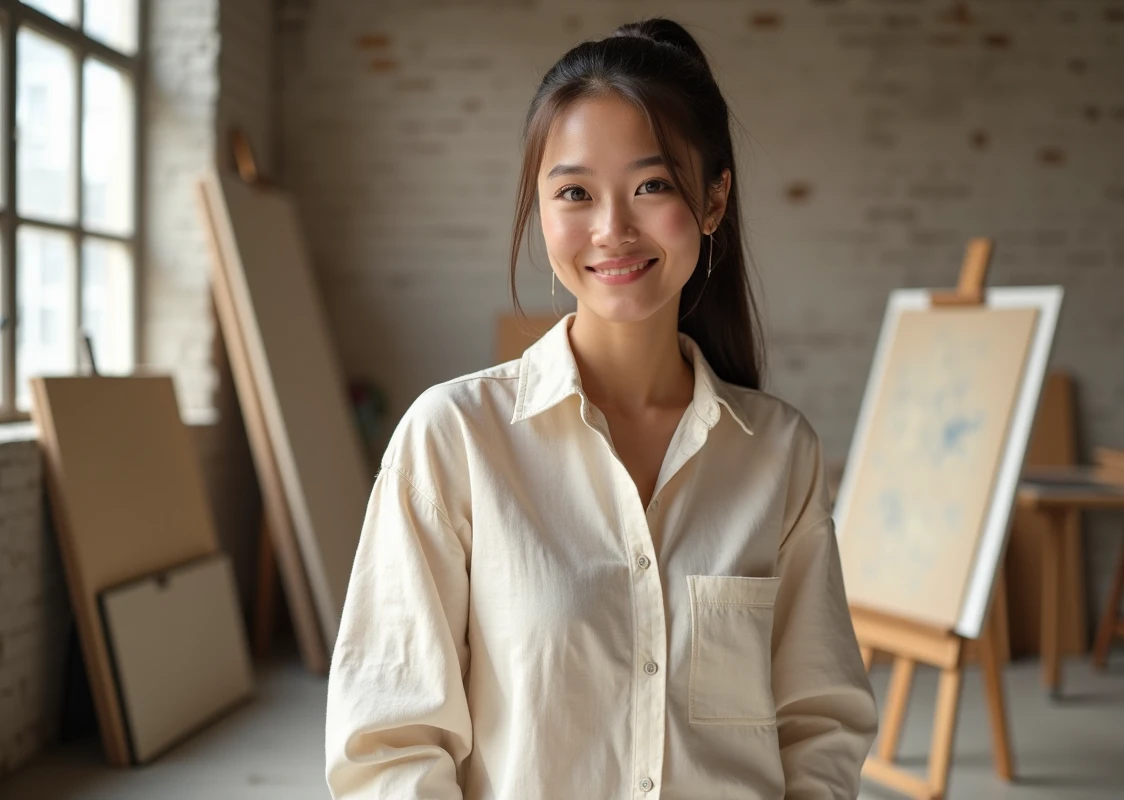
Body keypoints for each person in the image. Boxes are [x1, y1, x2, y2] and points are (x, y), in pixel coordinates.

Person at [325, 18, 878, 799]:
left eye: (652, 186)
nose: (612, 228)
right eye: (575, 193)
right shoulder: (454, 441)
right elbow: (388, 742)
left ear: (714, 198)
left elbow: (819, 724)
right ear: (542, 211)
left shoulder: (778, 452)